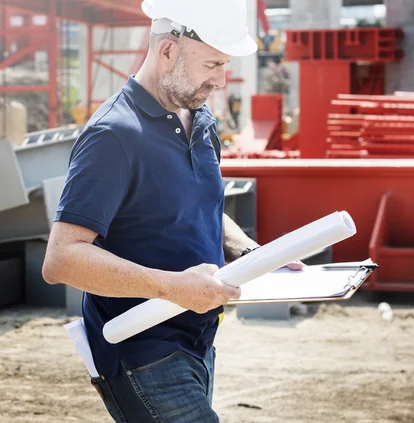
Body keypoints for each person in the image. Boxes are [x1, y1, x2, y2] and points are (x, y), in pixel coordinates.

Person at [42, 0, 301, 421]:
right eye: (212, 65)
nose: (220, 81)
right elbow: (61, 259)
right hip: (139, 349)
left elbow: (198, 206)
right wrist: (171, 287)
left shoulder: (199, 117)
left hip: (198, 339)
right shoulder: (113, 135)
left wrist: (255, 255)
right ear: (167, 52)